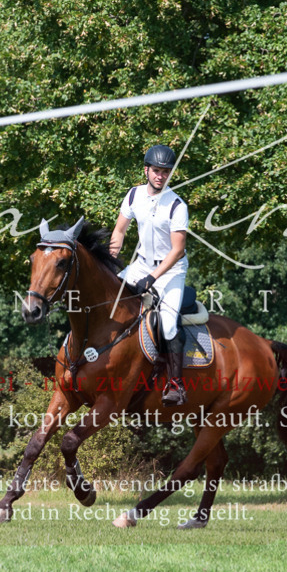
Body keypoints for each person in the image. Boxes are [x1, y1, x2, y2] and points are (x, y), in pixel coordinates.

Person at [110, 144, 189, 406]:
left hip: (170, 270)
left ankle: (176, 384)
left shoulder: (177, 205)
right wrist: (111, 259)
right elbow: (120, 231)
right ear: (146, 170)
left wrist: (152, 278)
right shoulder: (133, 196)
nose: (160, 176)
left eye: (165, 172)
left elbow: (177, 250)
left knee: (167, 324)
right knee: (110, 299)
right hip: (141, 264)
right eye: (156, 171)